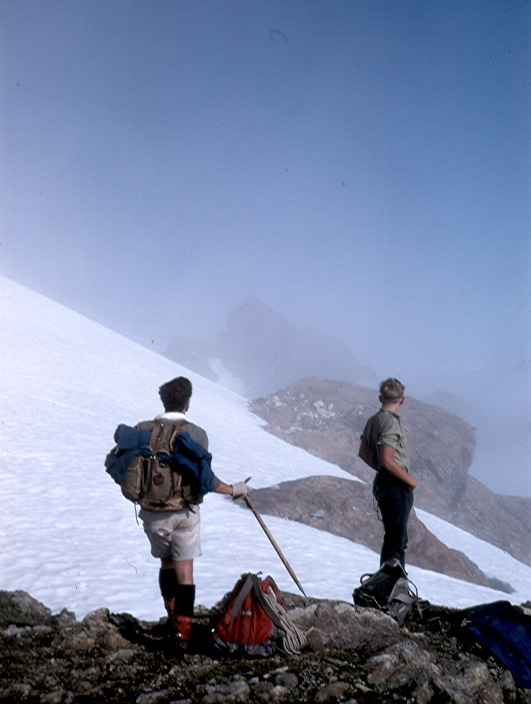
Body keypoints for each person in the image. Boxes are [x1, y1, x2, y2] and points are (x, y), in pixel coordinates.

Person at [135, 376, 249, 652]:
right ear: (187, 403)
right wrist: (235, 489)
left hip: (151, 513)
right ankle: (181, 635)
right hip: (184, 512)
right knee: (185, 572)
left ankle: (172, 616)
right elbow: (205, 479)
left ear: (163, 401)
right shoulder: (196, 433)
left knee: (166, 564)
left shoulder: (142, 430)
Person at [358, 378, 417, 569]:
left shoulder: (374, 420)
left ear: (380, 398)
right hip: (395, 485)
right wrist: (410, 481)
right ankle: (392, 585)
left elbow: (363, 452)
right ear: (402, 400)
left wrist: (381, 469)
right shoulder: (390, 423)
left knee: (393, 535)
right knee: (396, 539)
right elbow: (387, 459)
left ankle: (390, 583)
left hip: (383, 483)